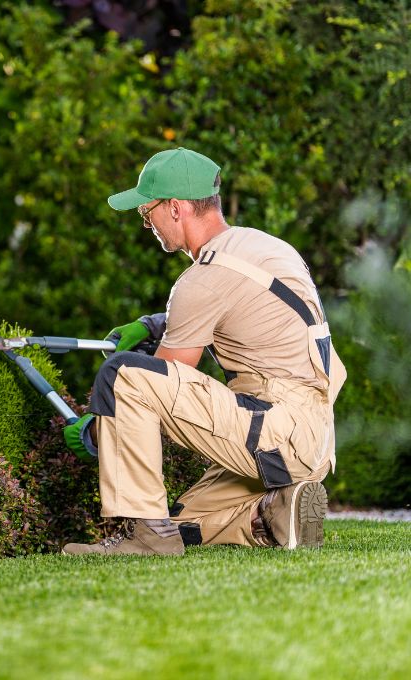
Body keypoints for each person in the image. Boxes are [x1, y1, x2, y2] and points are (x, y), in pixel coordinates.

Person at [60, 147, 346, 556]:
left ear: (175, 208)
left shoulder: (203, 278)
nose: (146, 222)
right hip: (311, 437)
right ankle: (270, 513)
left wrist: (96, 429)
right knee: (179, 520)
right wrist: (154, 324)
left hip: (276, 432)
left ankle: (147, 540)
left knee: (122, 375)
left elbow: (163, 384)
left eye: (147, 210)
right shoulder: (262, 247)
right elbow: (242, 311)